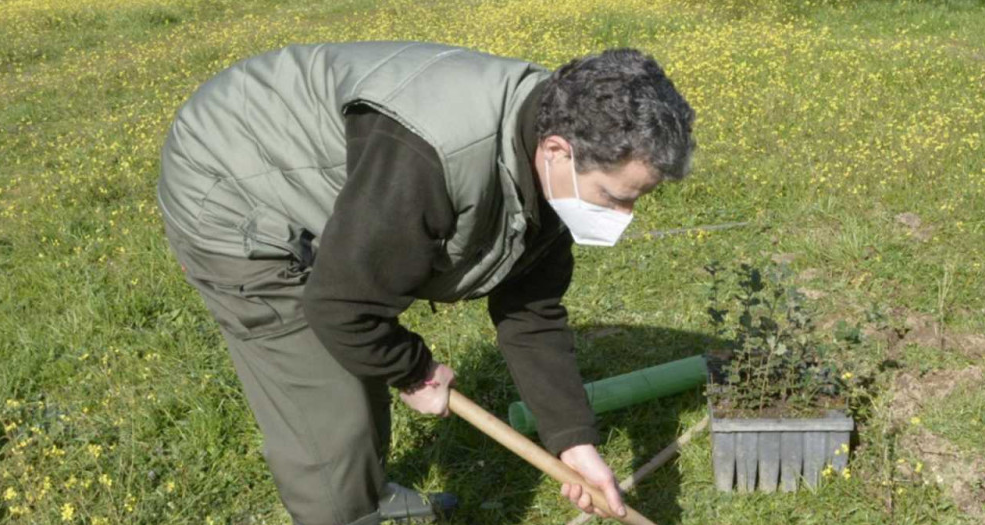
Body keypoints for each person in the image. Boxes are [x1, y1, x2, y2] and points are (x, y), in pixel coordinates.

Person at [156, 41, 695, 525]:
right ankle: (345, 512)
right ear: (557, 151)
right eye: (615, 196)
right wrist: (414, 371)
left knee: (361, 353)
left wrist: (572, 442)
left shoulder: (556, 147)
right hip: (232, 184)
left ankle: (367, 495)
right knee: (325, 405)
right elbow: (342, 306)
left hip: (334, 174)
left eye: (636, 199)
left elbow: (531, 309)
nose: (623, 215)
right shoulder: (432, 158)